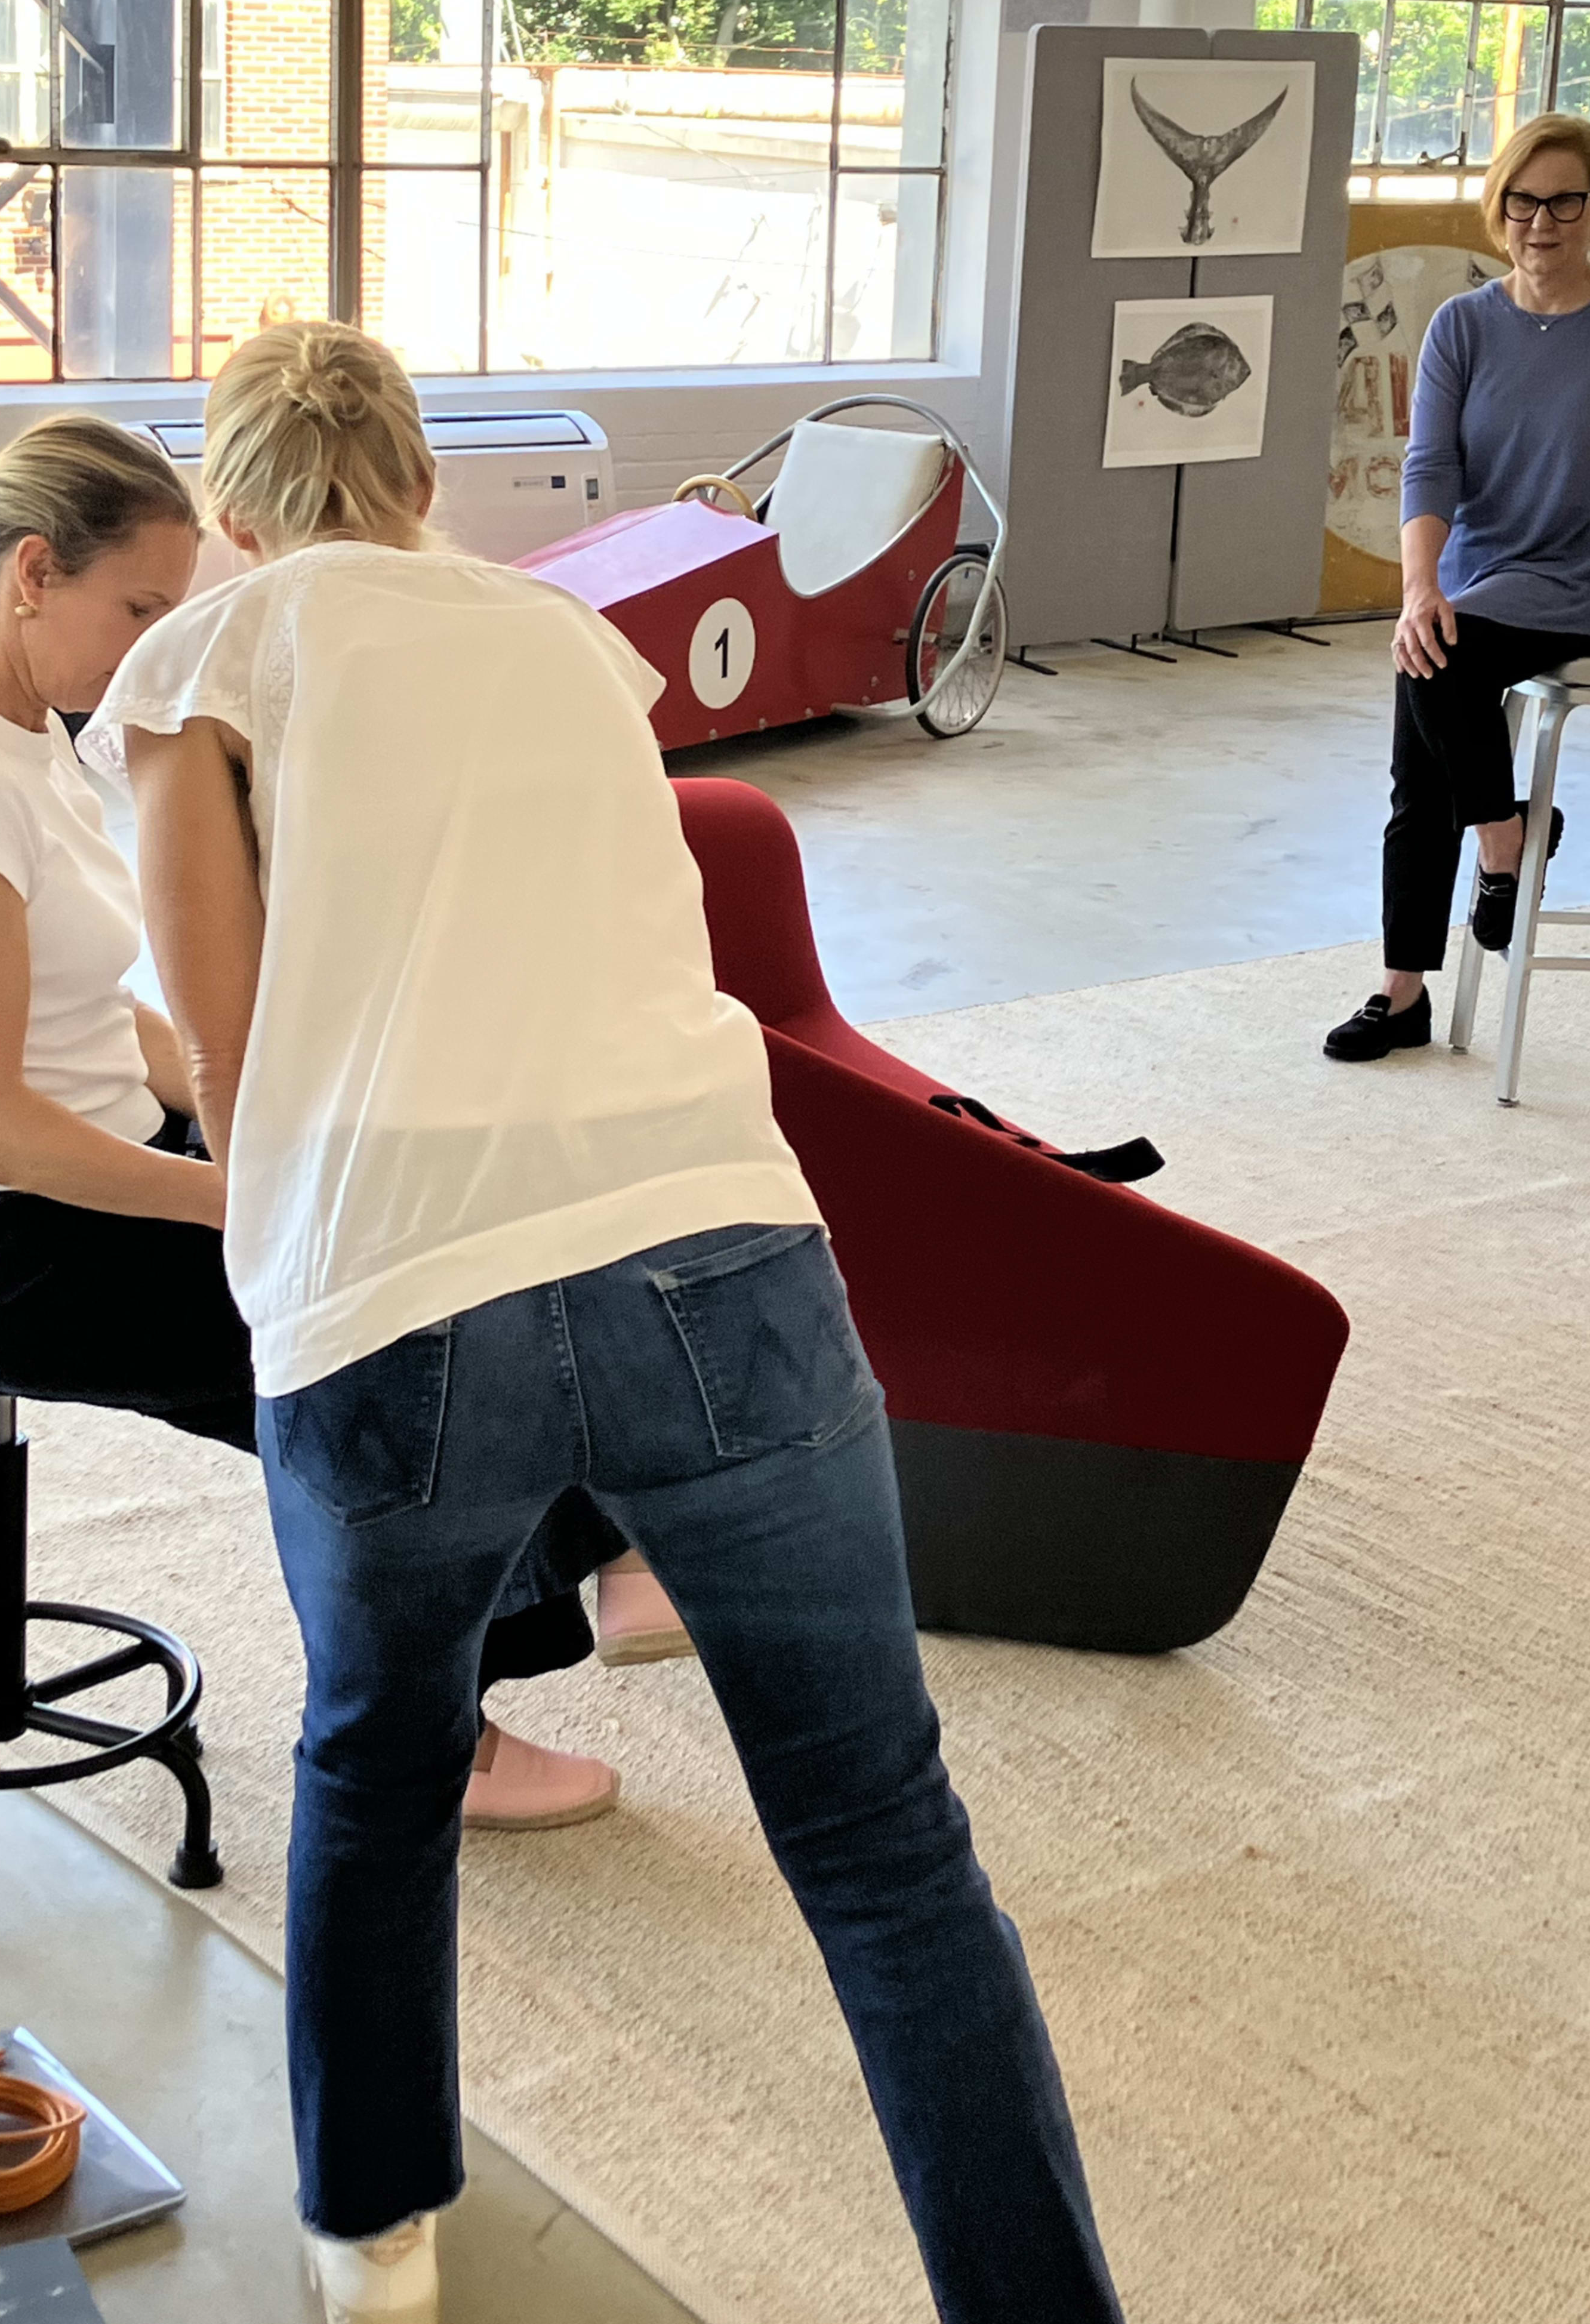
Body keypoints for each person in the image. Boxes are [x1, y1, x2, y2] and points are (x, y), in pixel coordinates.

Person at [91, 323, 1127, 2324]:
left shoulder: (205, 659)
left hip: (400, 1279)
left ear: (227, 510)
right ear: (424, 486)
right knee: (887, 1843)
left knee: (379, 1778)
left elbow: (218, 1055)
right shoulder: (574, 641)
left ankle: (374, 2245)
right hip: (718, 1245)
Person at [0, 411, 650, 1824]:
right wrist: (246, 1199)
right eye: (139, 608)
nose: (155, 643)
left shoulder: (12, 726)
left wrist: (276, 1121)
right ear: (32, 574)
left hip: (70, 1183)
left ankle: (594, 1557)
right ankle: (431, 1729)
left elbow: (99, 1027)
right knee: (363, 1343)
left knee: (409, 1217)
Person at [1324, 112, 1590, 1064]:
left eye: (1563, 201)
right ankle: (1442, 932)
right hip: (1475, 580)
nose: (1539, 222)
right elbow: (1429, 470)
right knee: (1425, 663)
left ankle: (1486, 870)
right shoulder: (1464, 325)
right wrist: (1419, 585)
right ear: (1498, 205)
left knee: (1437, 666)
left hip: (1578, 593)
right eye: (1521, 200)